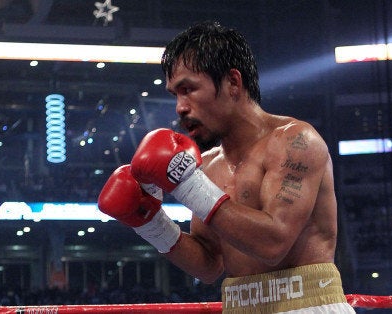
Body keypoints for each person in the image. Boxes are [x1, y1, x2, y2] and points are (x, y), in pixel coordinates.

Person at [99, 21, 355, 313]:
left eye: (188, 89)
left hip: (306, 304)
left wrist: (188, 186)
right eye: (176, 95)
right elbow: (209, 264)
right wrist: (150, 223)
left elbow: (274, 243)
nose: (180, 107)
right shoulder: (206, 165)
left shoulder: (296, 141)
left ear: (233, 82)